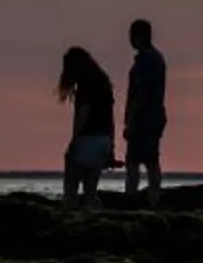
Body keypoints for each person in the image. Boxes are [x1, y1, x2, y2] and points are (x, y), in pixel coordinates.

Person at [57, 46, 116, 201]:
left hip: (88, 138)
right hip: (104, 140)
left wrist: (74, 140)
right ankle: (94, 215)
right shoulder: (103, 82)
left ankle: (70, 215)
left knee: (71, 188)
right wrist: (111, 146)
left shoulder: (86, 85)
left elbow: (83, 113)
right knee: (90, 191)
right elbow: (111, 119)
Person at [123, 17, 169, 203]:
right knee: (151, 160)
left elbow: (140, 94)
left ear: (138, 36)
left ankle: (133, 199)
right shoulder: (156, 59)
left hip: (144, 119)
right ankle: (153, 198)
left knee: (135, 162)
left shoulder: (146, 60)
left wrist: (132, 121)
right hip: (153, 117)